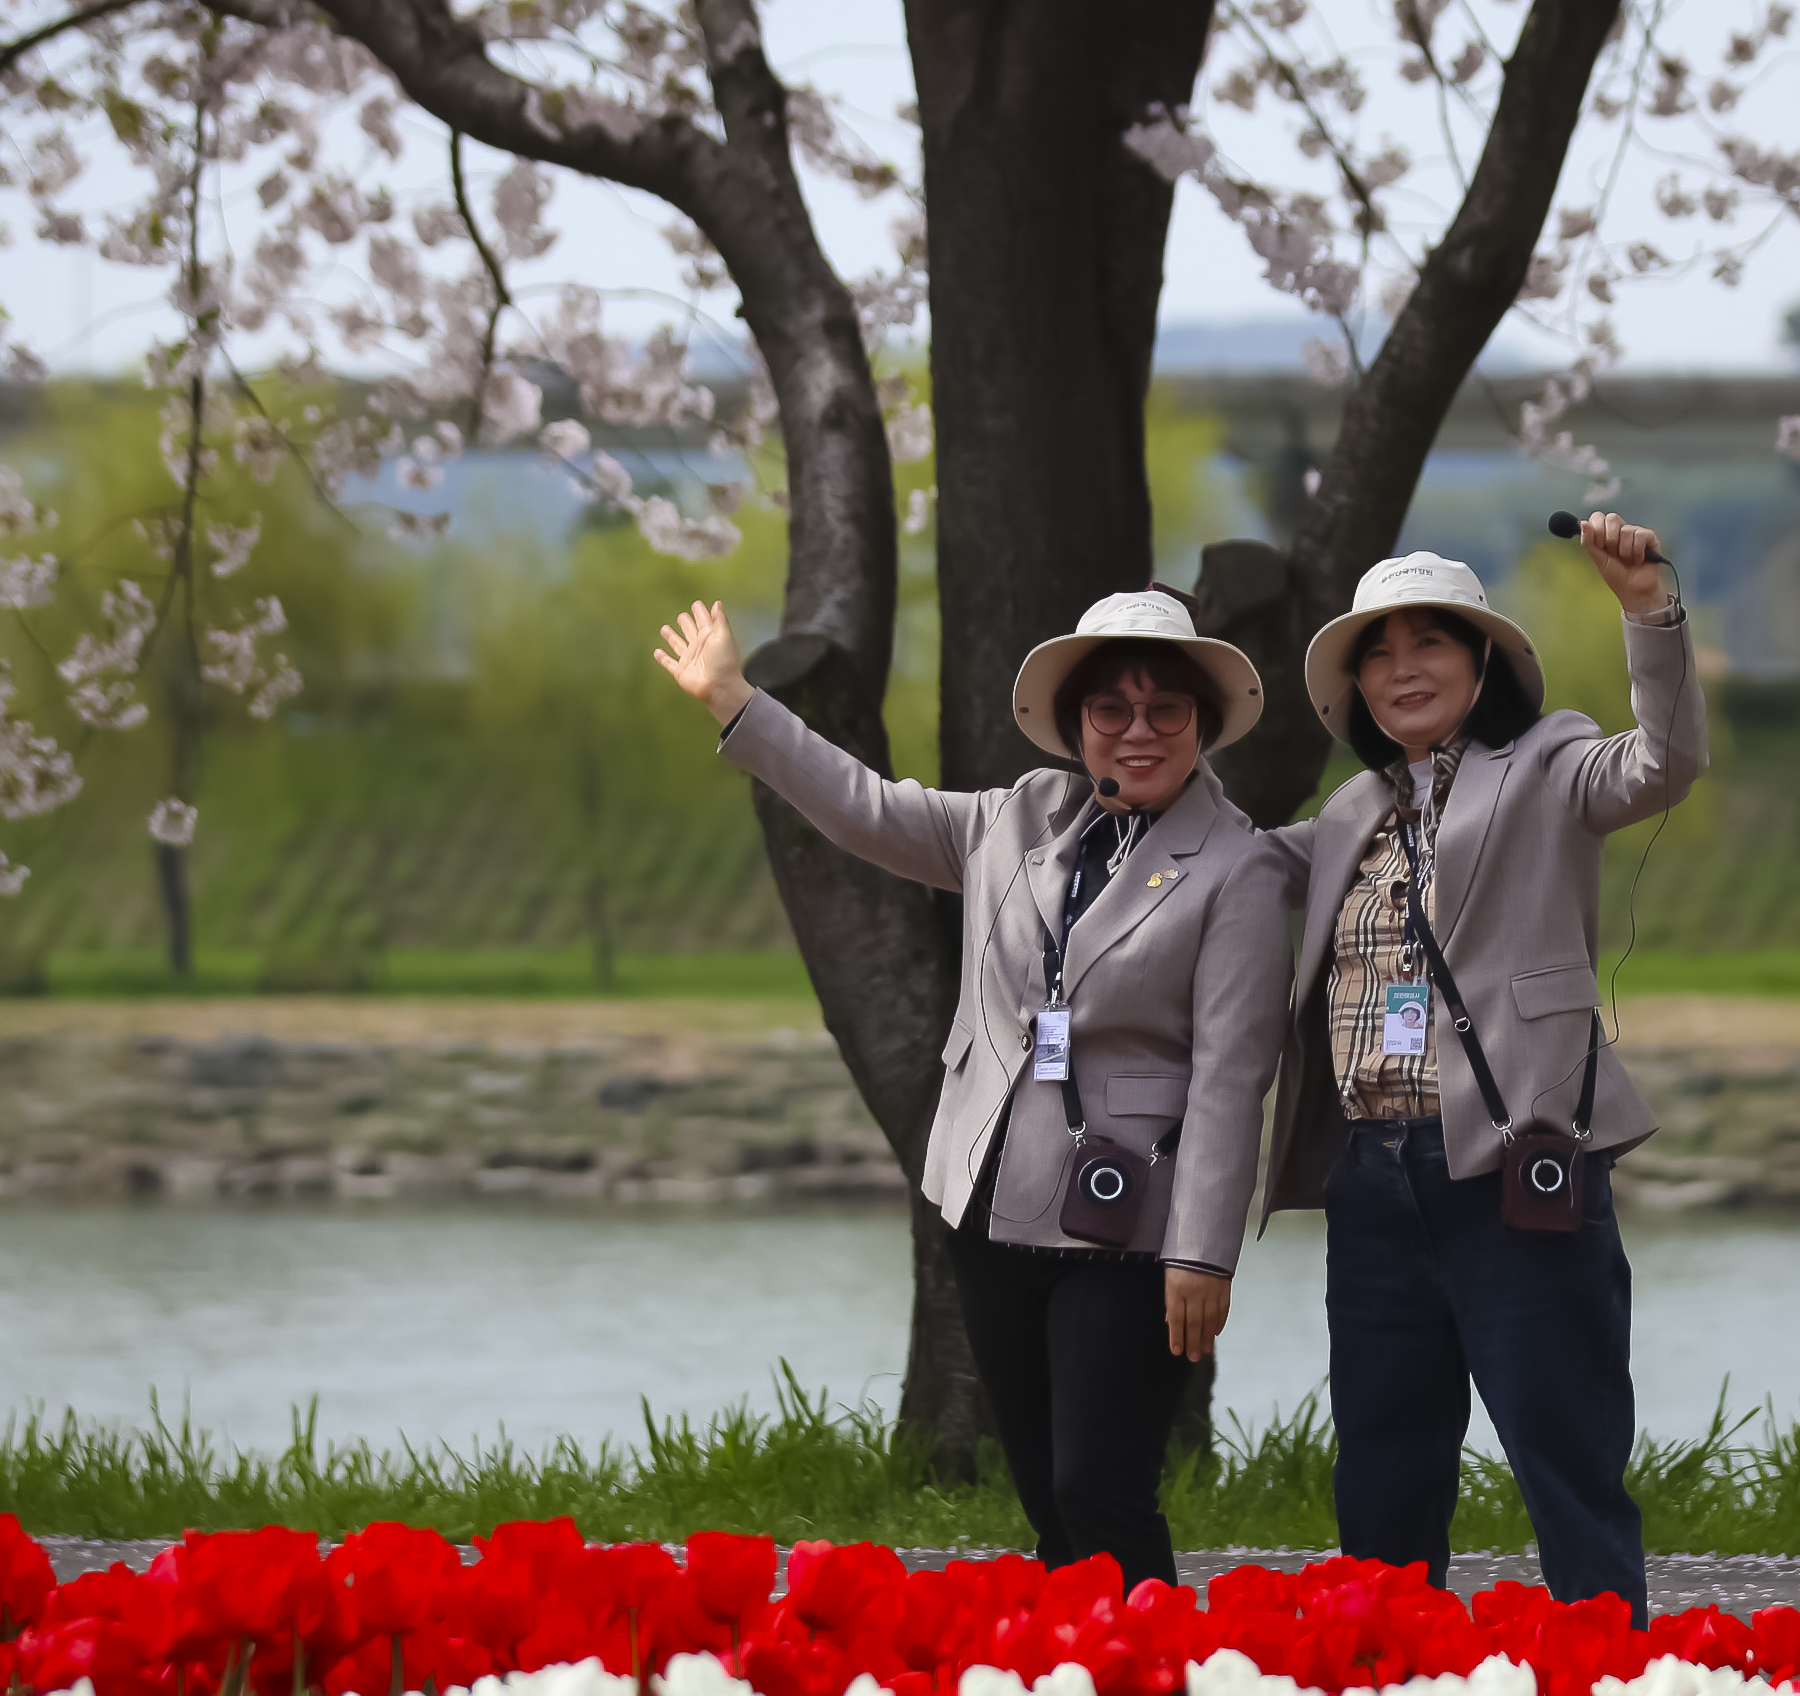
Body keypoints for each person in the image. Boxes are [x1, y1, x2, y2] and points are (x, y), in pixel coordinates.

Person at [651, 586, 1285, 1589]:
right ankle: (1076, 1695)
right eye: (1109, 708)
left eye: (1166, 707)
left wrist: (1204, 1254)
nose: (1137, 730)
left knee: (1100, 1486)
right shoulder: (1015, 818)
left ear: (1201, 721)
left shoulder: (1236, 866)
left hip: (1130, 1220)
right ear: (1077, 721)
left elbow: (1231, 1072)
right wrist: (738, 702)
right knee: (1043, 1491)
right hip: (991, 1202)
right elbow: (864, 808)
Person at [1259, 521, 1705, 1614]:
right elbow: (1221, 874)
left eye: (1431, 642)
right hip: (1372, 1178)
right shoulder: (1349, 814)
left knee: (1565, 1454)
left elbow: (1665, 761)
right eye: (1377, 650)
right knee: (1383, 1473)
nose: (1402, 667)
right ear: (1355, 682)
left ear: (1483, 661)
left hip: (1511, 1164)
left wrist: (1647, 609)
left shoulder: (1549, 764)